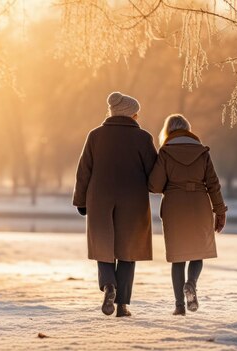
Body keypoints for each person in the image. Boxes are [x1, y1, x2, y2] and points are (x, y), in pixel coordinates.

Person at [73, 92, 157, 317]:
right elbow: (154, 174)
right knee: (127, 252)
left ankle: (109, 285)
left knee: (103, 247)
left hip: (100, 200)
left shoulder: (95, 136)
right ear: (130, 114)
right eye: (136, 113)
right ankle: (122, 305)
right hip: (134, 202)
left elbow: (84, 171)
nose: (138, 117)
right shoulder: (143, 138)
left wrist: (81, 201)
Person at [148, 114, 227, 316]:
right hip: (199, 205)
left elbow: (155, 185)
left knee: (178, 258)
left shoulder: (165, 152)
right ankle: (191, 283)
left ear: (168, 130)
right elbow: (213, 184)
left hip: (175, 207)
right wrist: (219, 211)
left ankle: (179, 306)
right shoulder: (202, 152)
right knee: (197, 252)